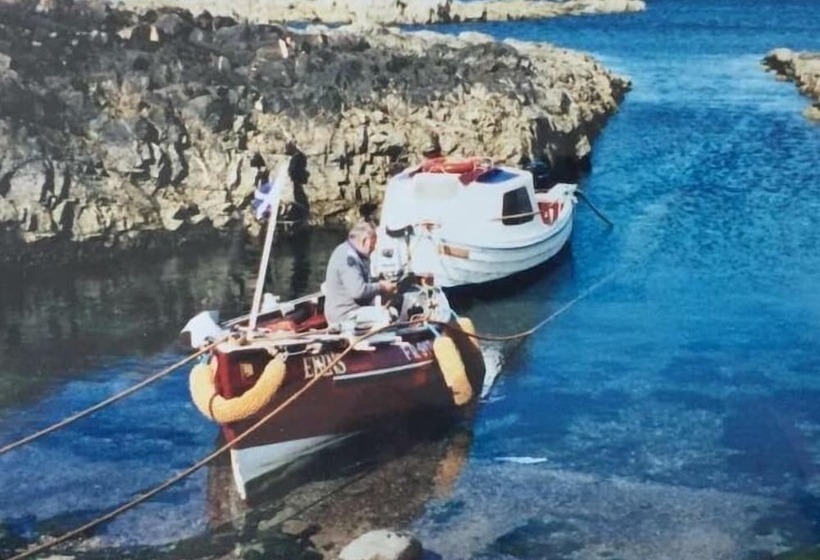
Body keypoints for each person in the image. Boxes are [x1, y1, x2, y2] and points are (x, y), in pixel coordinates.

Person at [323, 221, 396, 326]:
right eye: (373, 243)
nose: (374, 247)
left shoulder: (349, 251)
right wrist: (382, 287)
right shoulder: (348, 259)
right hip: (344, 316)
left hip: (350, 311)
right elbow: (358, 291)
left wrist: (379, 283)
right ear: (365, 241)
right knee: (391, 315)